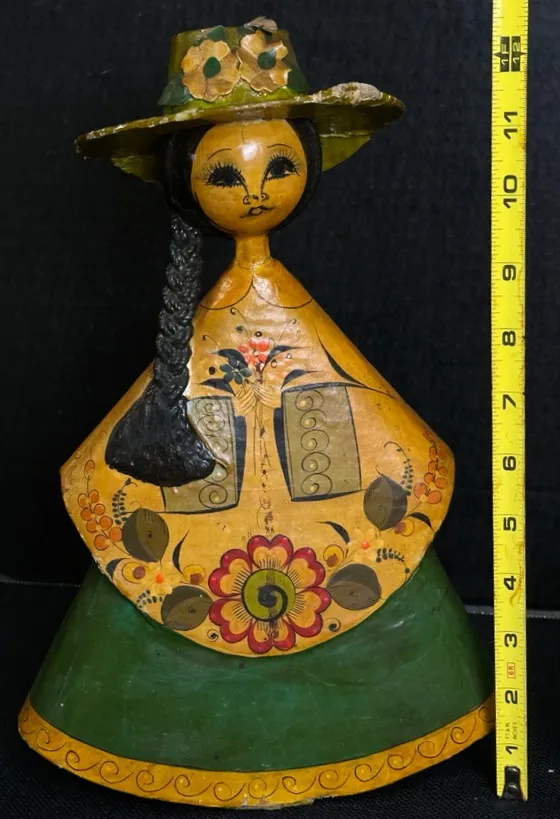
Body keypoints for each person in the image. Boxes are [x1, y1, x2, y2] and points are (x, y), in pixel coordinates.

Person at [19, 20, 493, 808]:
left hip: (326, 492)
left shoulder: (287, 307)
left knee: (364, 550)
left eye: (279, 165)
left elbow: (374, 420)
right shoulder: (201, 320)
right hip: (202, 512)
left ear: (309, 165)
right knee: (164, 570)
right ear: (186, 182)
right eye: (224, 173)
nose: (255, 190)